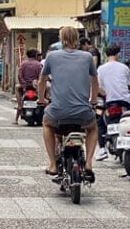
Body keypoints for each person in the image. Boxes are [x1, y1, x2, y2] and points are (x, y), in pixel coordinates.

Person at [38, 26, 99, 183]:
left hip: (58, 111)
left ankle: (52, 164)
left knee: (47, 124)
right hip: (83, 112)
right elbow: (94, 81)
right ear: (77, 39)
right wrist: (93, 100)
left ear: (61, 38)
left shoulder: (51, 56)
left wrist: (41, 99)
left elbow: (42, 80)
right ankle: (89, 163)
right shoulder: (87, 57)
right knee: (92, 128)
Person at [94, 43, 130, 161]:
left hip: (110, 102)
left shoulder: (101, 69)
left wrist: (106, 94)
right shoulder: (124, 67)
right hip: (125, 102)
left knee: (100, 124)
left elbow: (99, 88)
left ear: (106, 55)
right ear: (118, 54)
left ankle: (102, 150)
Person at [14, 48, 43, 124]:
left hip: (25, 86)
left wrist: (24, 85)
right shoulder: (39, 64)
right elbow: (41, 77)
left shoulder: (23, 64)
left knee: (17, 87)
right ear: (35, 55)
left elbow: (20, 76)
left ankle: (19, 106)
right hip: (36, 86)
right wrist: (38, 86)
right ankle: (43, 102)